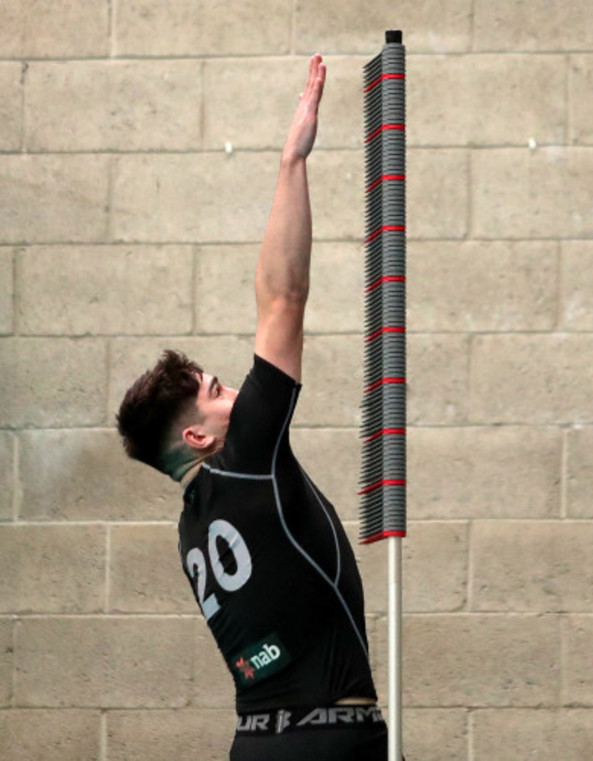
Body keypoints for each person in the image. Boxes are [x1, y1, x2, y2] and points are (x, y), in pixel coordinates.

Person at [116, 55, 389, 760]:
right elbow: (283, 300)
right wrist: (291, 162)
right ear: (199, 434)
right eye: (216, 390)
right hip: (329, 740)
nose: (235, 389)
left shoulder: (192, 529)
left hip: (255, 742)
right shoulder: (246, 465)